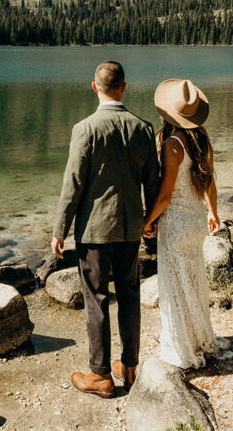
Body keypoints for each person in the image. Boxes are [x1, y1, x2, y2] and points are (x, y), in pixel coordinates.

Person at [52, 60, 161, 398]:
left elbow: (73, 184)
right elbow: (152, 183)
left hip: (95, 232)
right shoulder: (143, 128)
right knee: (130, 295)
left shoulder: (85, 128)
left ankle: (100, 374)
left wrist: (60, 229)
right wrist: (151, 223)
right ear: (124, 88)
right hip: (130, 228)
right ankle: (129, 366)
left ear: (94, 87)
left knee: (96, 299)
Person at [143, 78, 230, 369]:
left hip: (177, 224)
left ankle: (181, 343)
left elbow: (165, 195)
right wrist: (213, 214)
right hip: (195, 222)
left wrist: (147, 220)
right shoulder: (201, 140)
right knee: (192, 280)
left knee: (175, 285)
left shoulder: (172, 144)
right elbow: (211, 184)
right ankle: (196, 337)